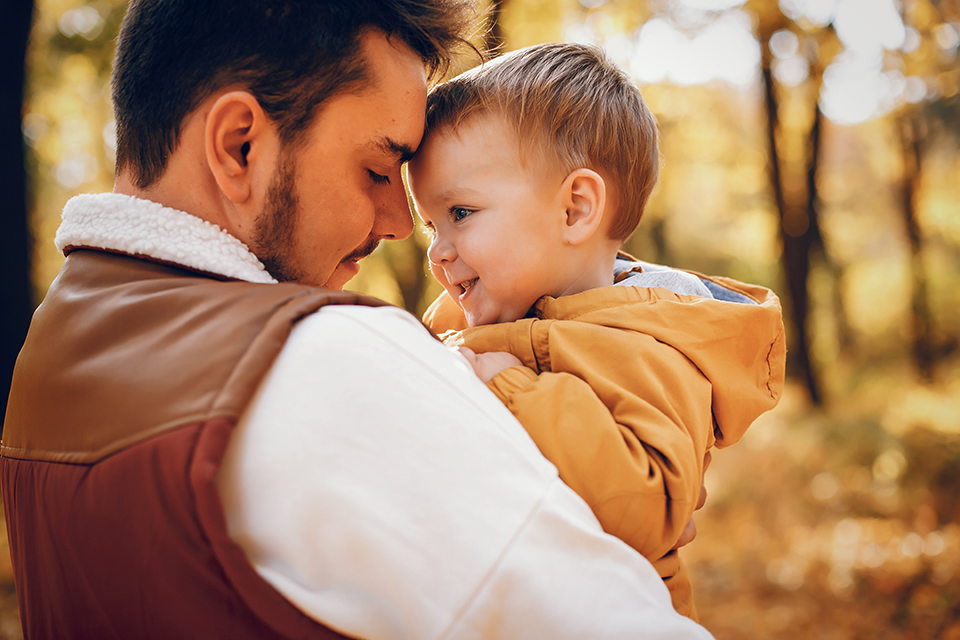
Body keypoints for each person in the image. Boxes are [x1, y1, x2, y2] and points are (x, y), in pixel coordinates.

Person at [1, 2, 717, 639]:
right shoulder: (322, 362)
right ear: (238, 146)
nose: (401, 224)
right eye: (380, 171)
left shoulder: (50, 353)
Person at [407, 42, 787, 620]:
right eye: (431, 224)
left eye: (460, 214)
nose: (438, 251)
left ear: (575, 210)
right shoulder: (463, 321)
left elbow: (649, 507)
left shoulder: (651, 342)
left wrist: (511, 388)